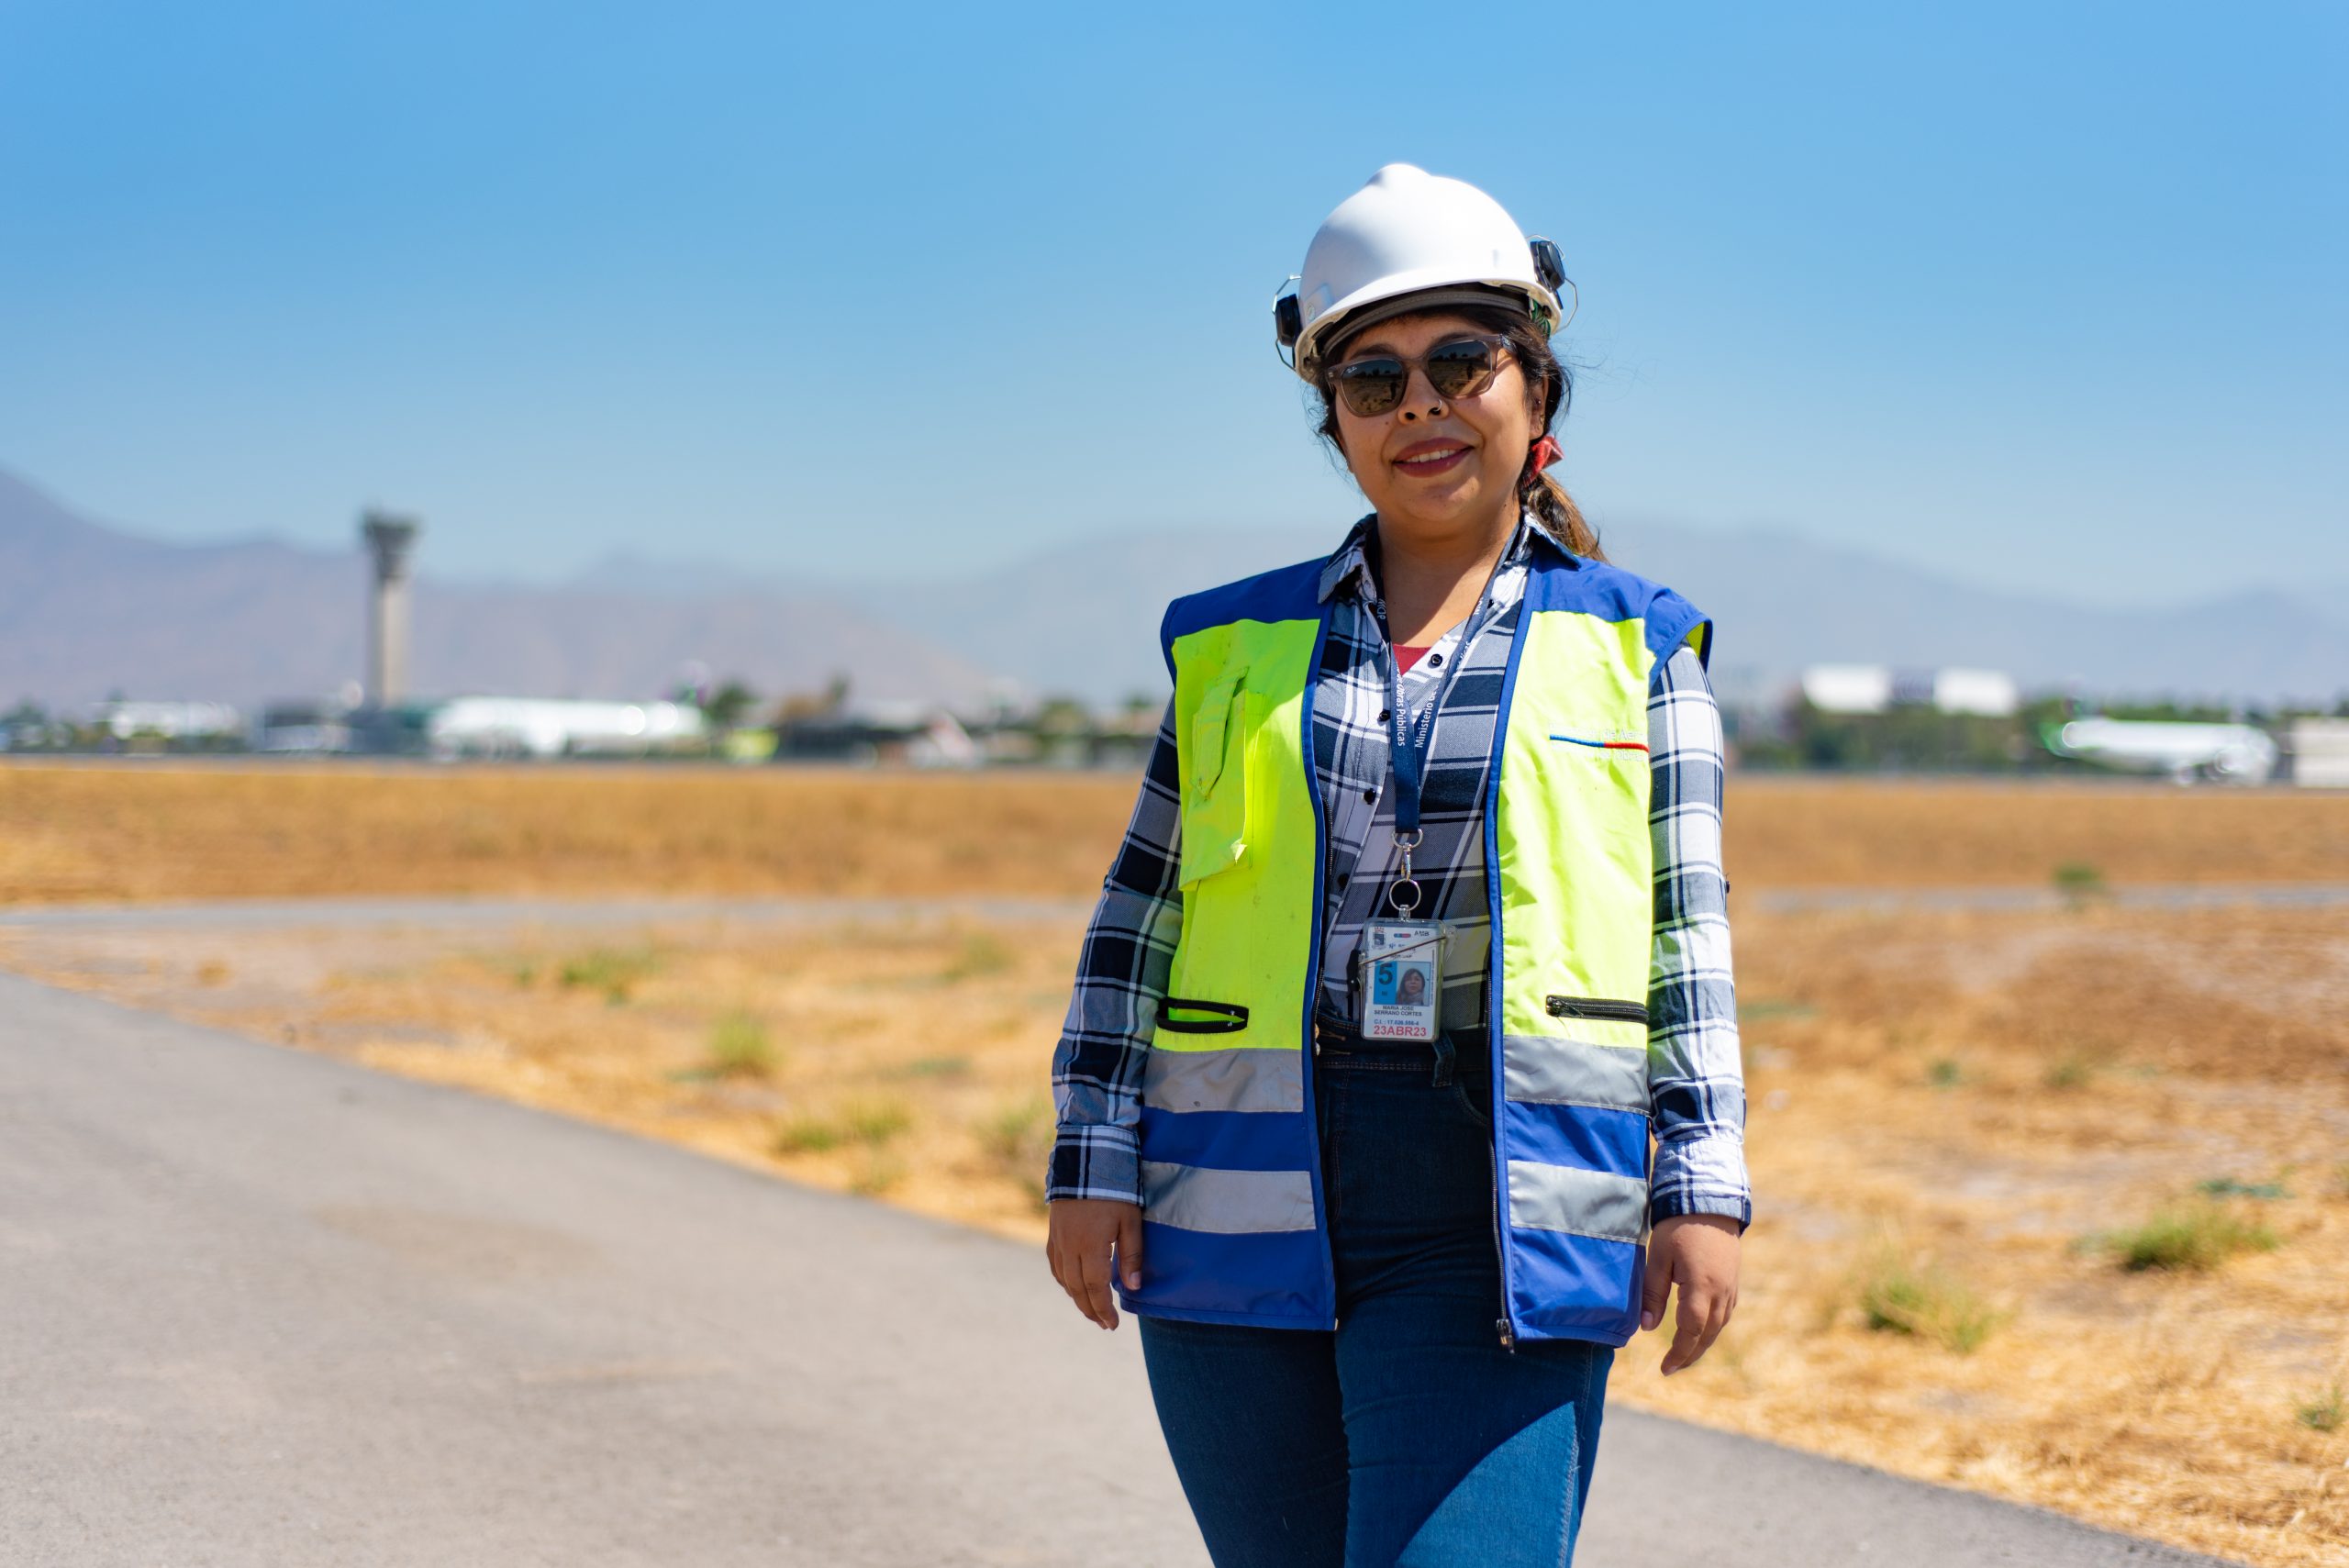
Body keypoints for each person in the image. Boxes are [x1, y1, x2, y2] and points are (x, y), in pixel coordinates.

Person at [1044, 164, 1750, 1568]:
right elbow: (1140, 918)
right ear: (1336, 424)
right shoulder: (1232, 651)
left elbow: (1685, 936)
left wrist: (1700, 1183)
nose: (1420, 405)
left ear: (1534, 392)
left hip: (1511, 1192)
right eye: (1373, 378)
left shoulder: (1637, 647)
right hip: (1234, 1192)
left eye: (1461, 361)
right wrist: (1090, 1154)